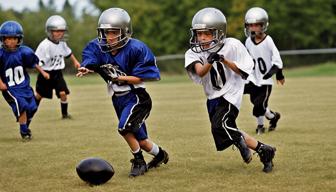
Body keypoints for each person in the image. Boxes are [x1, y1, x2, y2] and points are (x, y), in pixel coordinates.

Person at [77, 7, 169, 177]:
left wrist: (120, 79)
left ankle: (139, 162)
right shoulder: (99, 47)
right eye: (106, 32)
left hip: (136, 97)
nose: (109, 37)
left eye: (113, 32)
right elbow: (92, 59)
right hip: (117, 98)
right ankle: (161, 155)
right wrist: (87, 68)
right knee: (142, 141)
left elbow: (141, 78)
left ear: (125, 31)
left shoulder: (136, 48)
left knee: (124, 128)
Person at [185, 7, 276, 173]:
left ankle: (242, 146)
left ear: (219, 32)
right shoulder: (192, 53)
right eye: (199, 34)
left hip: (230, 93)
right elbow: (200, 72)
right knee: (228, 128)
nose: (202, 37)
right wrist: (210, 61)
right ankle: (265, 150)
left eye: (207, 33)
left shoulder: (232, 45)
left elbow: (243, 70)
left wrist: (224, 60)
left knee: (219, 125)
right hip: (212, 97)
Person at [0, 21, 48, 141]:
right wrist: (1, 83)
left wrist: (42, 72)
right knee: (21, 106)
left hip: (24, 86)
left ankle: (25, 125)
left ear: (19, 39)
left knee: (32, 107)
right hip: (10, 88)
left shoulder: (24, 52)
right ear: (3, 39)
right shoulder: (1, 54)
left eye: (14, 38)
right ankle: (24, 132)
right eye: (8, 38)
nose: (11, 41)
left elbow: (33, 63)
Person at [243, 7, 285, 134]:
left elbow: (277, 61)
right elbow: (246, 60)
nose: (253, 28)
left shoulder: (268, 41)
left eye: (256, 25)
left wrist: (278, 75)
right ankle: (273, 116)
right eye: (251, 25)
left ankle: (260, 126)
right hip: (252, 79)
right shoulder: (248, 42)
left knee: (259, 105)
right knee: (256, 103)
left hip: (265, 81)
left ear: (263, 26)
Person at [35, 15, 80, 119]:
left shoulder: (62, 43)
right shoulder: (44, 45)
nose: (60, 33)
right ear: (50, 31)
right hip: (45, 73)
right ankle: (30, 111)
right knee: (39, 96)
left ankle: (64, 114)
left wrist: (75, 62)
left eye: (62, 31)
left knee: (63, 94)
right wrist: (43, 73)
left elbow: (68, 53)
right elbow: (35, 62)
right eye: (56, 31)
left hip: (57, 73)